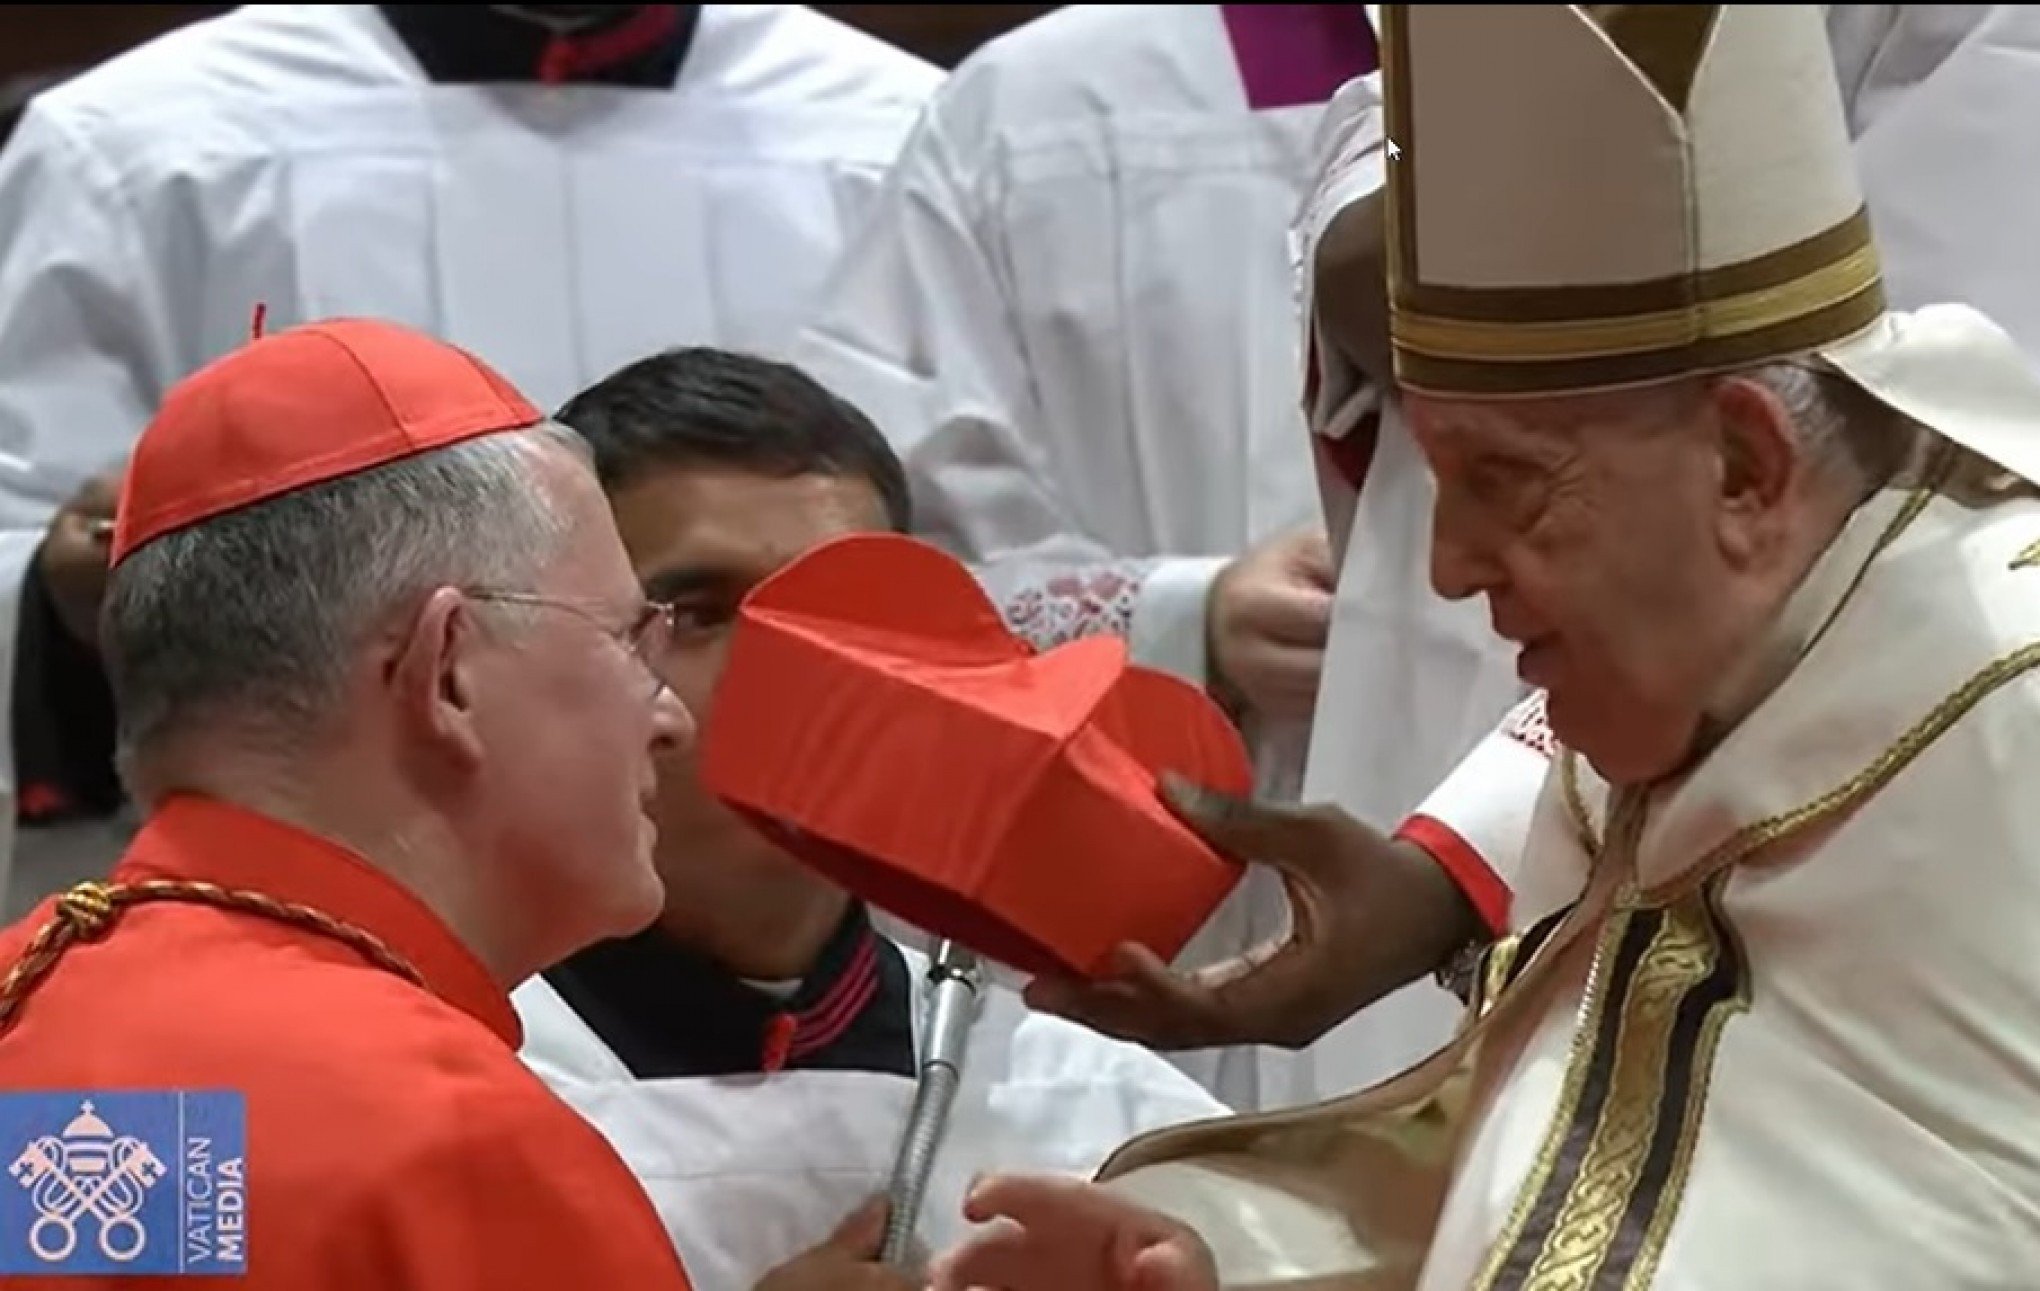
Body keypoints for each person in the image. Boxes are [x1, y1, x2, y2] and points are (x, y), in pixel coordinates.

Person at [930, 6, 2040, 1288]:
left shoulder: (1996, 736)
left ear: (1748, 463)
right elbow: (1581, 1165)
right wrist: (1227, 1250)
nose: (1446, 567)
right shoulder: (1659, 722)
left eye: (1508, 480)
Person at [0, 3, 941, 919]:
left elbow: (966, 560)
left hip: (803, 937)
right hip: (321, 928)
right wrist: (57, 596)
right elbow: (24, 527)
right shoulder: (136, 144)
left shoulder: (902, 132)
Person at [510, 345, 1229, 1291]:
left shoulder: (1101, 1114)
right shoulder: (432, 1075)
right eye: (698, 612)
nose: (784, 680)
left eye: (841, 615)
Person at [0, 317, 696, 1286]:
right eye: (631, 638)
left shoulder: (32, 1006)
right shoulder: (454, 1154)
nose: (669, 718)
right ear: (448, 672)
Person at [789, 3, 1390, 1112]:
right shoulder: (1038, 111)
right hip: (1131, 907)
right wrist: (1183, 618)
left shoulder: (1668, 70)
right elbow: (865, 572)